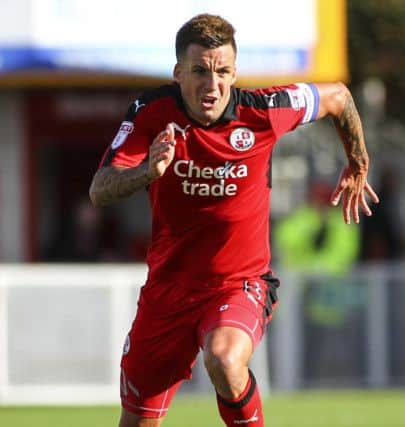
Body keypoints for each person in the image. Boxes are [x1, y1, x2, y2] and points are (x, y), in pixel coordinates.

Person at [89, 14, 379, 427]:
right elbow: (100, 189)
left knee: (225, 359)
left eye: (223, 71)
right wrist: (147, 173)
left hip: (239, 284)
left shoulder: (263, 111)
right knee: (137, 421)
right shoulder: (151, 112)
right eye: (200, 71)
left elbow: (338, 96)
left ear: (235, 72)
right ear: (178, 74)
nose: (213, 86)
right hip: (167, 294)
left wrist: (358, 161)